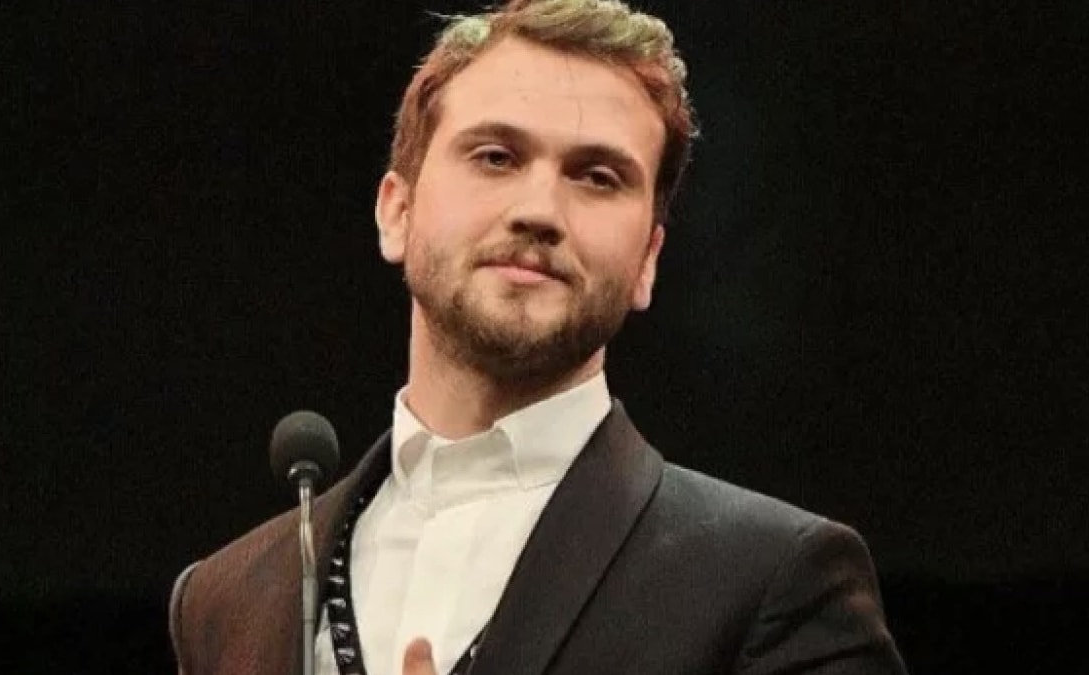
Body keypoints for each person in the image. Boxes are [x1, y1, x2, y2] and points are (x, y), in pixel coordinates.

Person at [167, 1, 907, 674]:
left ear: (648, 261)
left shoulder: (774, 581)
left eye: (598, 176)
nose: (539, 210)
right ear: (397, 211)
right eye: (495, 157)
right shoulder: (226, 599)